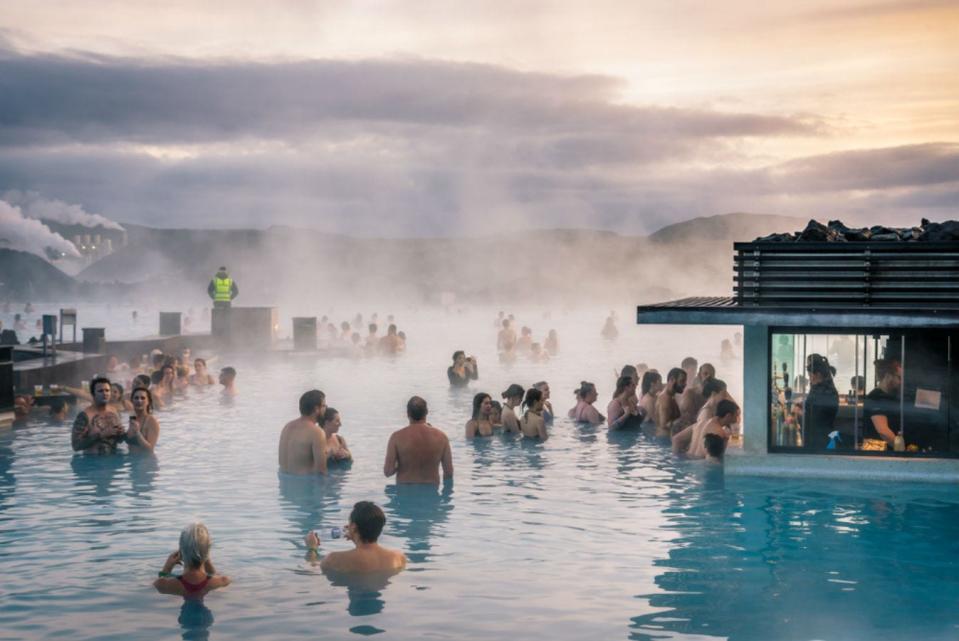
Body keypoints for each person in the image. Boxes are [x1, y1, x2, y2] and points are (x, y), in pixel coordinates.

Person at [305, 501, 406, 573]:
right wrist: (355, 535)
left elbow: (312, 570)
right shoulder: (399, 558)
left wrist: (312, 548)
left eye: (349, 523)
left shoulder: (333, 559)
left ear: (353, 527)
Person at [383, 396, 453, 484]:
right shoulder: (442, 437)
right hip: (431, 493)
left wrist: (400, 464)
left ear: (407, 413)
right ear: (426, 412)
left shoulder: (396, 437)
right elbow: (449, 473)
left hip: (404, 493)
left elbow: (388, 472)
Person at [154, 522, 231, 597]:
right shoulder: (223, 581)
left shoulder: (163, 584)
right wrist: (207, 559)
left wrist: (167, 567)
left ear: (181, 551)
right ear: (208, 550)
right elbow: (214, 576)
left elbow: (160, 586)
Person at [278, 390, 328, 475]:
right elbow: (321, 471)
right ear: (316, 409)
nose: (326, 408)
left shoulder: (287, 427)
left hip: (284, 484)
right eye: (324, 406)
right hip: (305, 485)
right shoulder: (317, 432)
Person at [71, 377, 126, 454]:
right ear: (93, 394)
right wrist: (100, 435)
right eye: (100, 391)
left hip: (114, 460)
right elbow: (76, 446)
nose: (105, 393)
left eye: (107, 390)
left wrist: (121, 434)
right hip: (93, 462)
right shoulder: (85, 415)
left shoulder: (114, 411)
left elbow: (119, 441)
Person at [802, 354, 839, 450]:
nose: (809, 378)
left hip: (819, 439)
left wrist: (799, 413)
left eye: (810, 375)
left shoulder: (823, 392)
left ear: (818, 375)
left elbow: (815, 417)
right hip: (820, 435)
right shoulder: (823, 388)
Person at [863, 359, 902, 447]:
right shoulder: (876, 397)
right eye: (899, 378)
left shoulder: (889, 396)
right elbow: (883, 431)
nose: (901, 382)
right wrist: (901, 449)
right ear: (888, 376)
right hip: (878, 451)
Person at [654, 367, 687, 438]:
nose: (685, 384)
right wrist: (683, 420)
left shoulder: (671, 396)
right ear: (672, 380)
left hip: (665, 440)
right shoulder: (665, 399)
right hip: (664, 441)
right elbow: (664, 424)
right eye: (682, 381)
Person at [127, 387, 160, 453]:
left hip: (146, 461)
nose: (139, 401)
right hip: (132, 460)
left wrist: (137, 433)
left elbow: (150, 449)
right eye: (136, 398)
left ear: (148, 401)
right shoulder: (133, 417)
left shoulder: (151, 421)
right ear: (132, 401)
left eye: (143, 398)